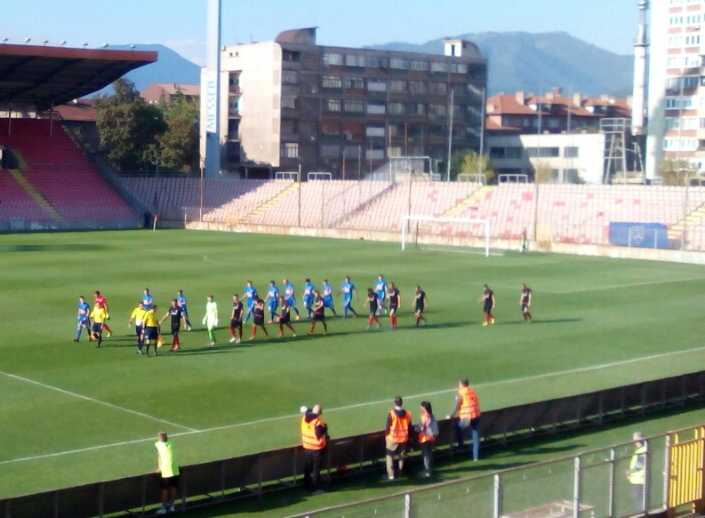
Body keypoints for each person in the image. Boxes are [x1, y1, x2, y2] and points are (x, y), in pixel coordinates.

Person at [450, 378, 481, 461]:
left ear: (462, 384)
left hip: (467, 417)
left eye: (459, 384)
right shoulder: (472, 391)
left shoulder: (461, 393)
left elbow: (457, 406)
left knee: (457, 427)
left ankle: (460, 446)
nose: (458, 385)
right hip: (476, 415)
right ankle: (476, 457)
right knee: (475, 436)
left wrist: (451, 415)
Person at [301, 404, 328, 492]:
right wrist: (325, 428)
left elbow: (309, 412)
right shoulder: (318, 422)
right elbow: (319, 434)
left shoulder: (304, 418)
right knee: (316, 469)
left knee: (307, 468)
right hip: (317, 449)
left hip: (307, 447)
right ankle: (315, 488)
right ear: (319, 413)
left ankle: (306, 485)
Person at [385, 396, 412, 481]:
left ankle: (391, 475)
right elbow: (409, 427)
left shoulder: (391, 413)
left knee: (390, 457)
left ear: (394, 403)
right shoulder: (408, 413)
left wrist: (386, 436)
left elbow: (387, 427)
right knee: (401, 457)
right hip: (404, 438)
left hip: (393, 438)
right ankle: (400, 473)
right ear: (402, 403)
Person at [154, 432, 180, 515]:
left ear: (159, 438)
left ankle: (164, 508)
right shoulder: (171, 443)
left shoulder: (158, 444)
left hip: (166, 470)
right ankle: (172, 506)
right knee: (173, 487)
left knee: (164, 489)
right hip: (175, 469)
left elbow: (159, 455)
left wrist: (159, 468)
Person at [416, 401, 438, 478]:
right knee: (429, 454)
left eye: (421, 407)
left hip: (425, 438)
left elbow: (422, 427)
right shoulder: (431, 415)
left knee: (425, 455)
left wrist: (417, 428)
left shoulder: (425, 416)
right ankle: (429, 470)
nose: (420, 408)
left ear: (424, 408)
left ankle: (427, 472)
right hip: (431, 438)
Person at [627, 432, 646, 513]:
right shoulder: (642, 449)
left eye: (635, 440)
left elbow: (639, 465)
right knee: (639, 501)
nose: (634, 442)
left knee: (638, 501)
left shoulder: (642, 450)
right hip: (638, 480)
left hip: (639, 481)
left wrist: (629, 472)